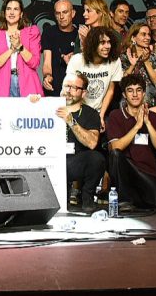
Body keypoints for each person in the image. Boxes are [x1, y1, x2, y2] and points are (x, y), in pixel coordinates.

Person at [105, 73, 156, 211]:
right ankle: (124, 200)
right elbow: (115, 147)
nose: (135, 94)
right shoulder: (116, 115)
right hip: (126, 170)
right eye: (130, 90)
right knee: (116, 154)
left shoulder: (154, 117)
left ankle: (135, 199)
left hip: (147, 172)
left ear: (144, 93)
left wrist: (147, 123)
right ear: (124, 94)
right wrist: (137, 126)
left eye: (138, 90)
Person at [57, 72, 104, 212]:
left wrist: (71, 121)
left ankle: (87, 197)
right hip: (52, 159)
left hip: (75, 161)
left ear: (83, 93)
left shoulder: (91, 113)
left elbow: (92, 143)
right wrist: (33, 102)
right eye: (66, 86)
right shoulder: (49, 107)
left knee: (97, 158)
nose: (68, 91)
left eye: (74, 88)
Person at [65, 26, 123, 123]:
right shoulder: (77, 59)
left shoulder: (115, 61)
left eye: (109, 42)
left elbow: (110, 90)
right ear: (93, 44)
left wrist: (101, 116)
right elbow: (68, 88)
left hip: (98, 111)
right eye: (102, 42)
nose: (107, 46)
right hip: (76, 109)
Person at [0, 0, 42, 97]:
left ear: (21, 14)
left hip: (28, 84)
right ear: (4, 13)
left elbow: (34, 63)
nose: (12, 12)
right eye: (8, 9)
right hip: (3, 84)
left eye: (16, 9)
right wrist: (11, 49)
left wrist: (19, 46)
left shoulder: (31, 32)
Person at [42, 0, 79, 97]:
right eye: (58, 13)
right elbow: (46, 61)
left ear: (73, 13)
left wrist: (74, 59)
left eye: (65, 12)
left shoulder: (80, 35)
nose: (61, 17)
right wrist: (47, 76)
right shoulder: (49, 32)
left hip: (74, 89)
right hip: (53, 87)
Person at [119, 22, 156, 104]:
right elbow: (122, 82)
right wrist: (132, 65)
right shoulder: (124, 56)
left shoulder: (153, 55)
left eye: (149, 35)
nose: (148, 38)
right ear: (133, 38)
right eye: (143, 34)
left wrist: (146, 61)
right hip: (130, 95)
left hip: (149, 94)